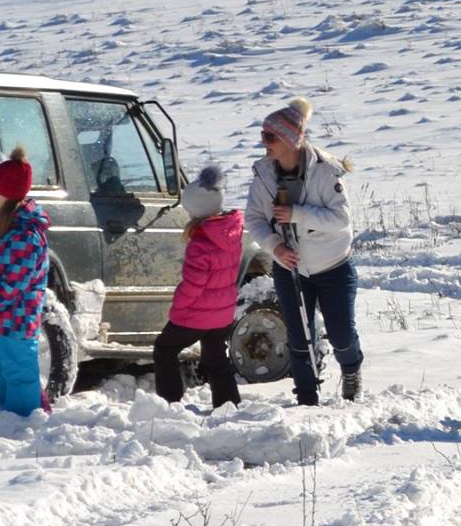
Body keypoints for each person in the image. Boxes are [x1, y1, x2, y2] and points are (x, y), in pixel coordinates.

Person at [246, 97, 363, 408]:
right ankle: (307, 398)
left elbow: (341, 220)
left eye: (270, 136)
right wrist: (275, 247)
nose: (264, 142)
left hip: (332, 265)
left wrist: (297, 214)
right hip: (289, 266)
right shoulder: (263, 174)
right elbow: (254, 219)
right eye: (263, 135)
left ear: (289, 139)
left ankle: (351, 369)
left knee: (341, 335)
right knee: (298, 337)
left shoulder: (325, 171)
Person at [152, 165, 243, 410]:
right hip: (222, 314)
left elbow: (193, 285)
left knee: (164, 349)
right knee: (216, 360)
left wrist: (178, 309)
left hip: (196, 314)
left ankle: (170, 404)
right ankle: (228, 407)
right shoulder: (231, 234)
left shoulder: (201, 243)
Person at [0, 148, 51, 418]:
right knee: (1, 373)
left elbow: (10, 286)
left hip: (17, 320)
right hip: (0, 319)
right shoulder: (3, 226)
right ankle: (9, 419)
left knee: (18, 373)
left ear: (6, 195)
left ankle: (26, 421)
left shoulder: (25, 236)